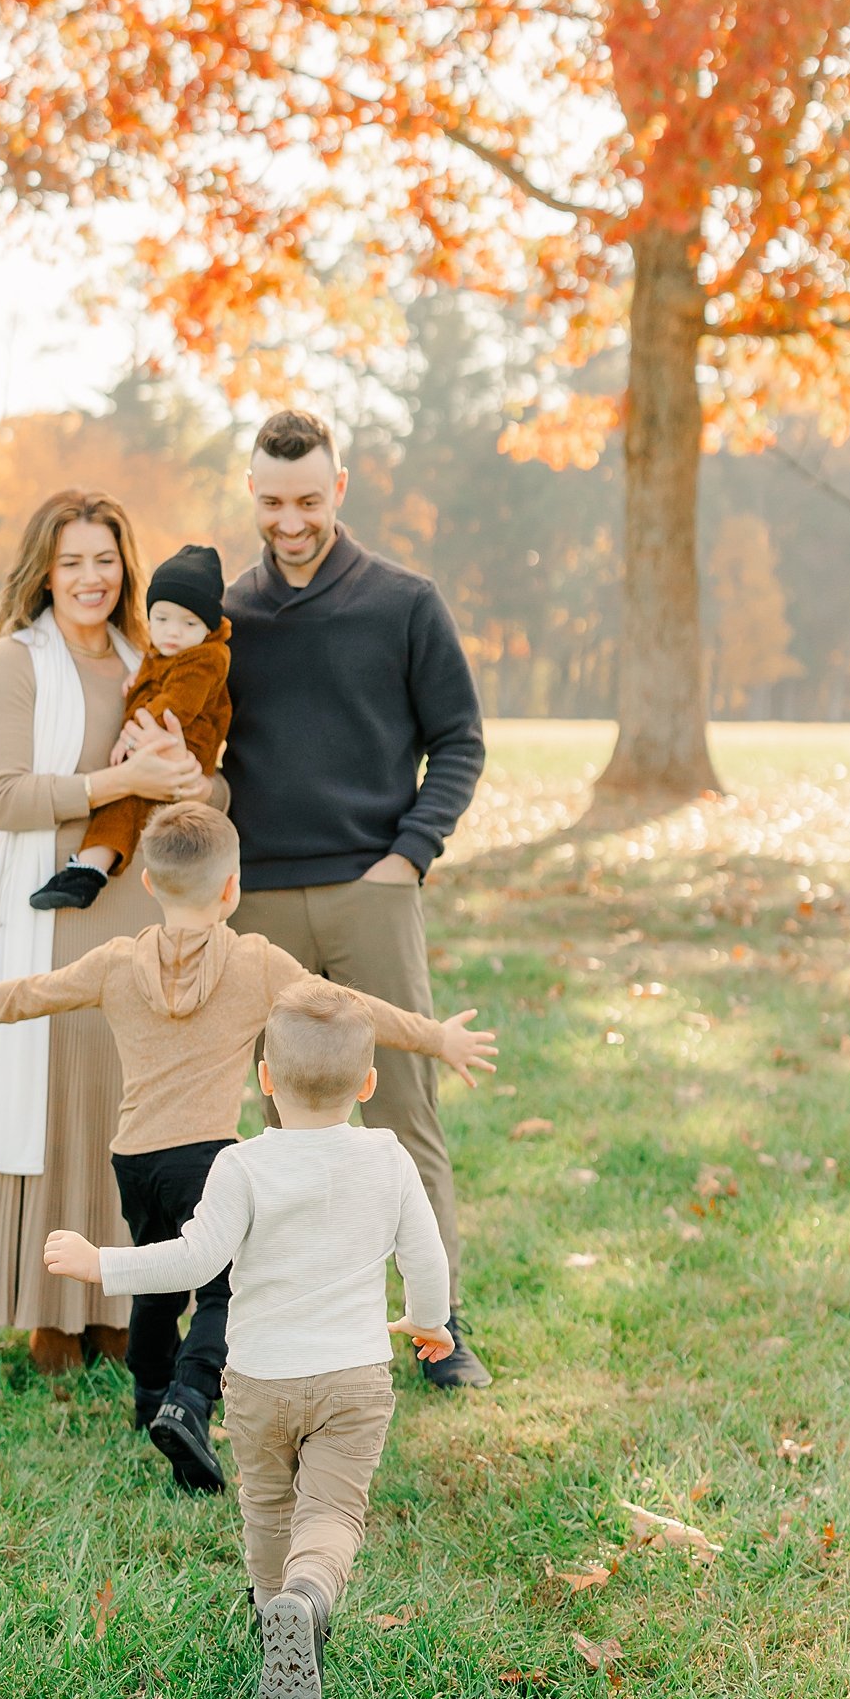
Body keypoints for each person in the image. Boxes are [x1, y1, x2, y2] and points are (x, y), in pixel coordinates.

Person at [0, 804, 495, 1490]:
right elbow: (344, 1007)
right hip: (208, 1161)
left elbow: (30, 995)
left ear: (148, 883)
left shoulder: (116, 963)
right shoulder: (256, 962)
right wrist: (434, 1036)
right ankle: (190, 1398)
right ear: (231, 888)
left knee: (156, 1281)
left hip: (135, 1159)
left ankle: (149, 1397)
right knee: (226, 1288)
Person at [44, 979, 456, 1699]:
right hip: (353, 1380)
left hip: (261, 1381)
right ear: (368, 1083)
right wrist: (430, 1323)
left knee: (269, 1509)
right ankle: (308, 1596)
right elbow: (425, 1261)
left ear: (263, 1080)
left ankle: (276, 1613)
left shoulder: (241, 1165)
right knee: (331, 1512)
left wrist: (102, 1263)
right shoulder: (388, 1158)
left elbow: (194, 1258)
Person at [224, 409, 491, 1387]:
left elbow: (458, 739)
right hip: (258, 909)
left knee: (403, 1111)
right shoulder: (227, 617)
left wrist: (409, 855)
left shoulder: (406, 603)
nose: (289, 521)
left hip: (373, 891)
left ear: (340, 488)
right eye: (270, 502)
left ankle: (440, 1327)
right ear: (250, 494)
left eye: (306, 500)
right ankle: (274, 1328)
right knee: (271, 1125)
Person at [0, 489, 209, 1377]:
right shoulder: (13, 664)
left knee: (126, 1113)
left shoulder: (158, 658)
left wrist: (188, 785)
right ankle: (50, 1309)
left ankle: (118, 1305)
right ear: (43, 572)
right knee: (55, 1108)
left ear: (126, 567)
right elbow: (2, 798)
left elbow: (202, 772)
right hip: (49, 917)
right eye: (72, 562)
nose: (91, 578)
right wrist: (114, 779)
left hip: (145, 915)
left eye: (105, 559)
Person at [30, 545, 232, 911]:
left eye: (189, 623)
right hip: (159, 738)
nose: (173, 632)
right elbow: (160, 670)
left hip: (187, 744)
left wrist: (131, 734)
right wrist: (141, 677)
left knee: (128, 795)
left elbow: (179, 703)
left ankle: (90, 870)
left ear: (208, 627)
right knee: (127, 791)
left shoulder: (208, 656)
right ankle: (90, 868)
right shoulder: (165, 650)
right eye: (162, 619)